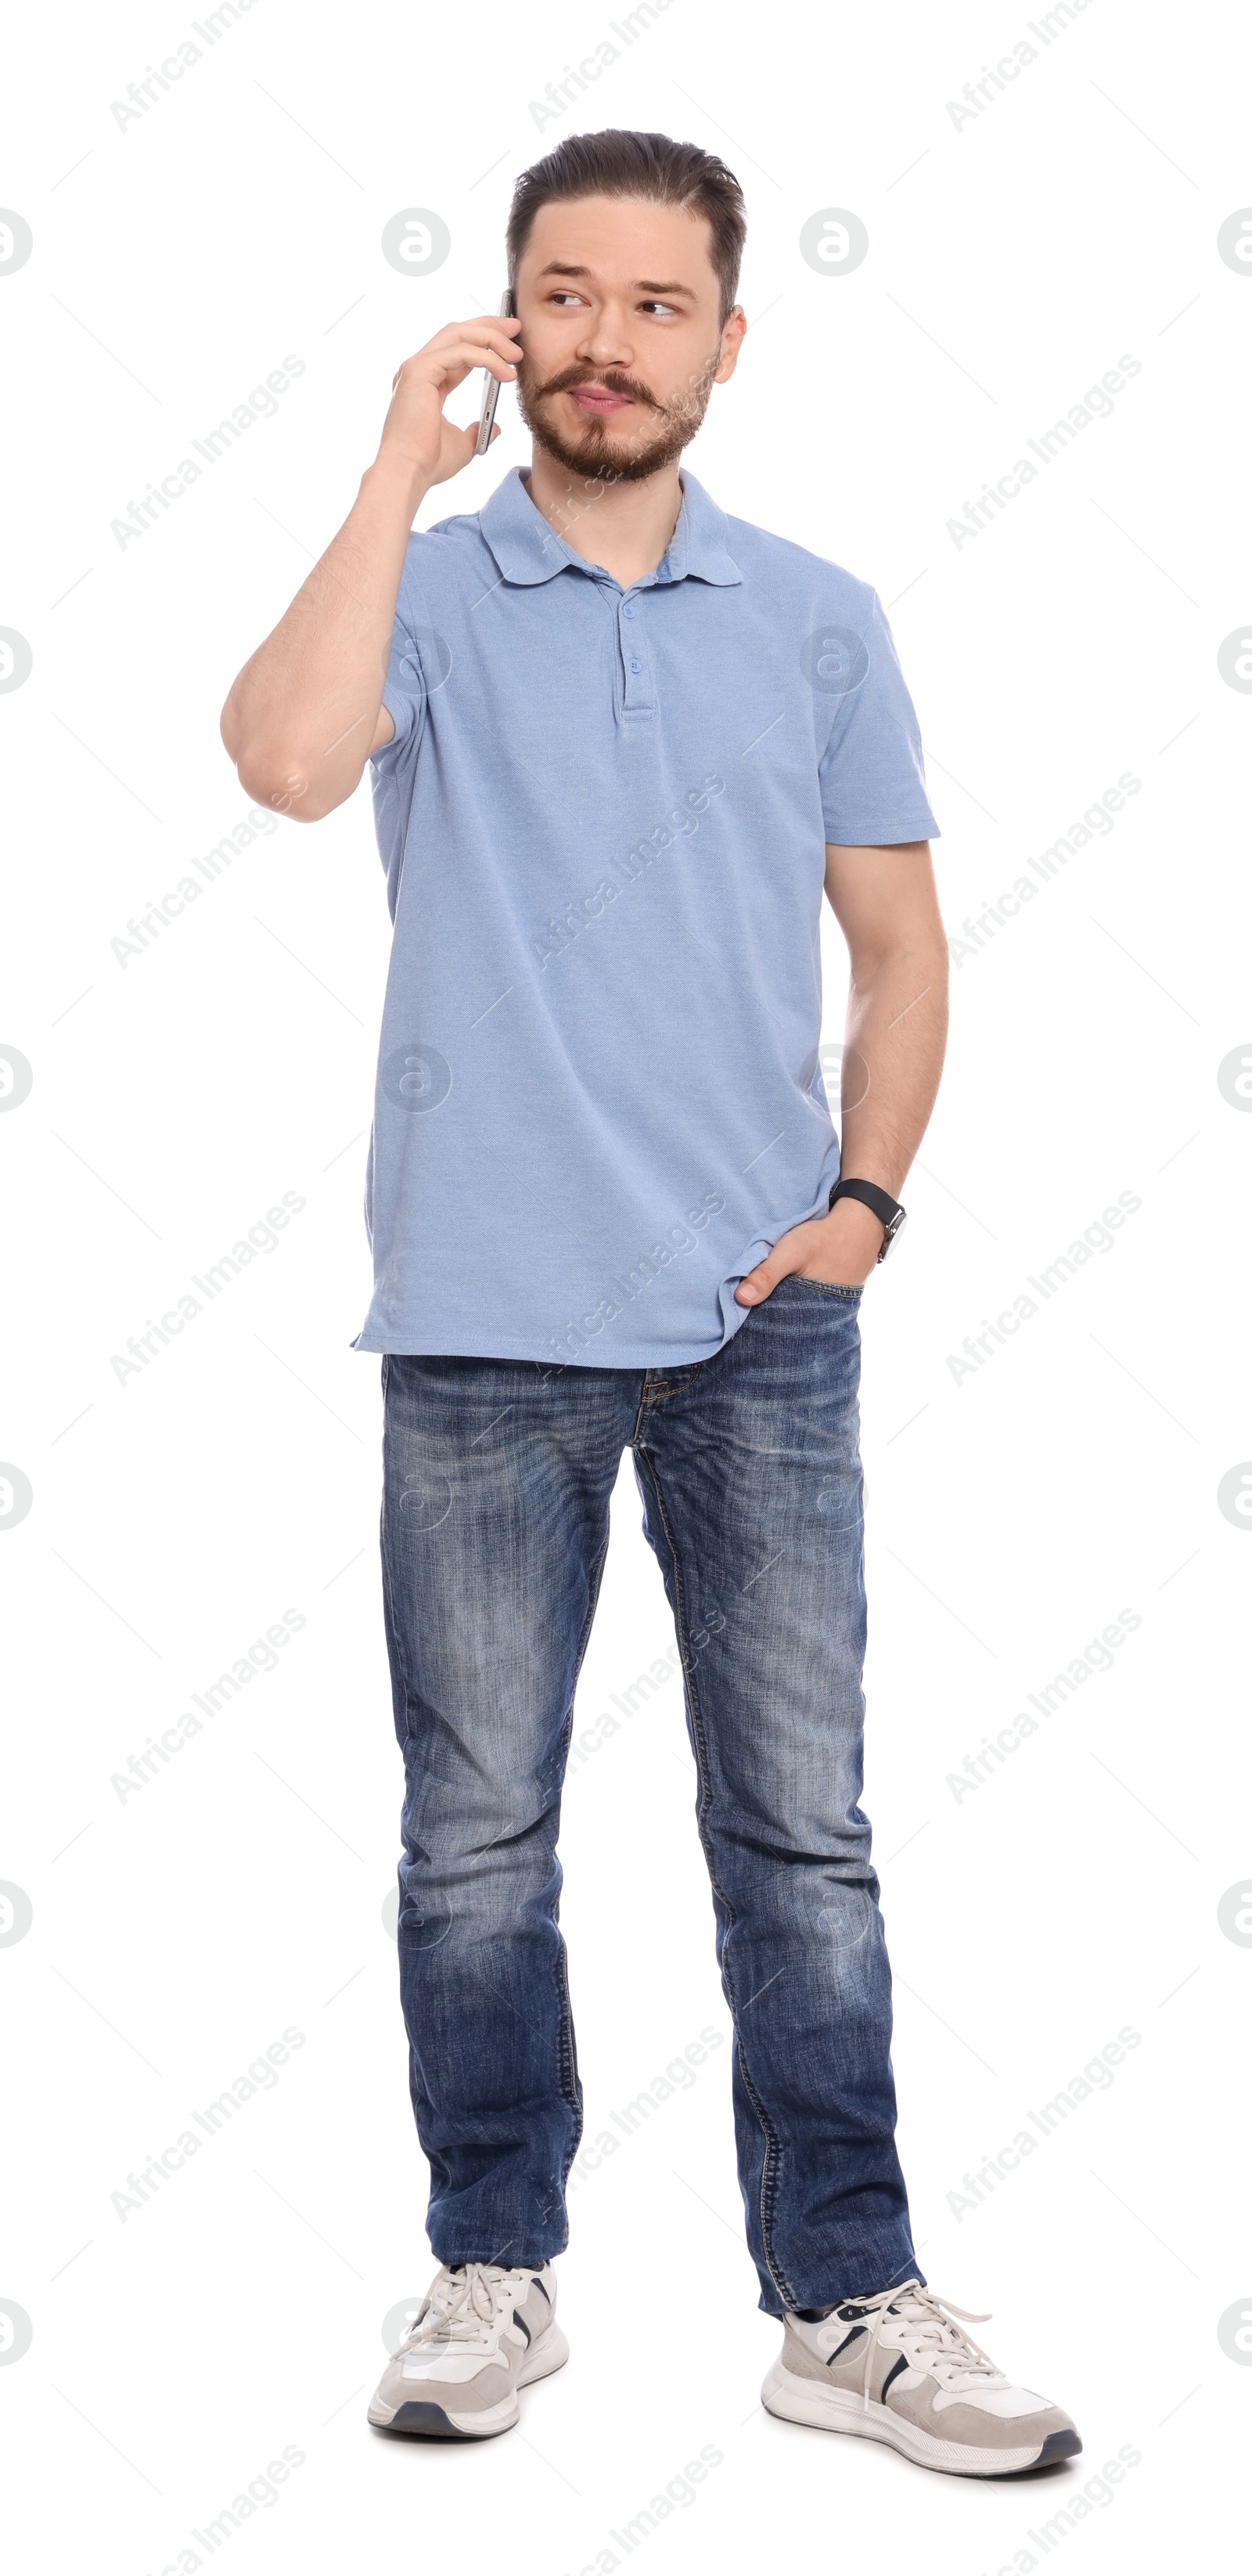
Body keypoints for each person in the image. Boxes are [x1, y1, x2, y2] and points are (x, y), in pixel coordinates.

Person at [221, 127, 1080, 2478]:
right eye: (562, 296)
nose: (608, 339)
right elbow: (288, 762)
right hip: (485, 1311)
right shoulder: (423, 584)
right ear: (512, 319)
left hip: (756, 1322)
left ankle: (847, 2295)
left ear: (727, 332)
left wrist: (866, 1209)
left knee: (801, 1831)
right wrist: (399, 460)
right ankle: (493, 2258)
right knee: (476, 1828)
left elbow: (901, 949)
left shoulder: (816, 614)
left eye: (657, 300)